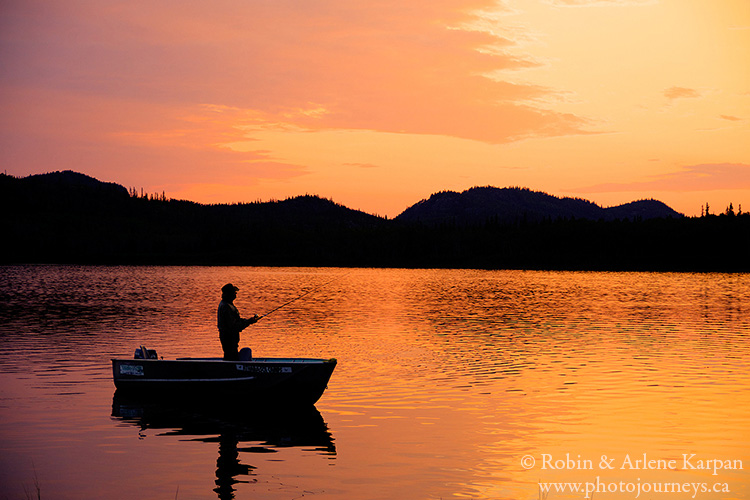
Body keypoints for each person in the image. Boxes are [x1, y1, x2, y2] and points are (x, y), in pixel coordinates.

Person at [217, 283, 259, 361]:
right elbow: (234, 326)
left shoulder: (227, 305)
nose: (236, 293)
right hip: (228, 338)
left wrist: (248, 320)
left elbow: (237, 320)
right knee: (230, 357)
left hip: (229, 337)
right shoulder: (226, 307)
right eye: (234, 292)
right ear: (228, 294)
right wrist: (248, 322)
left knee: (231, 356)